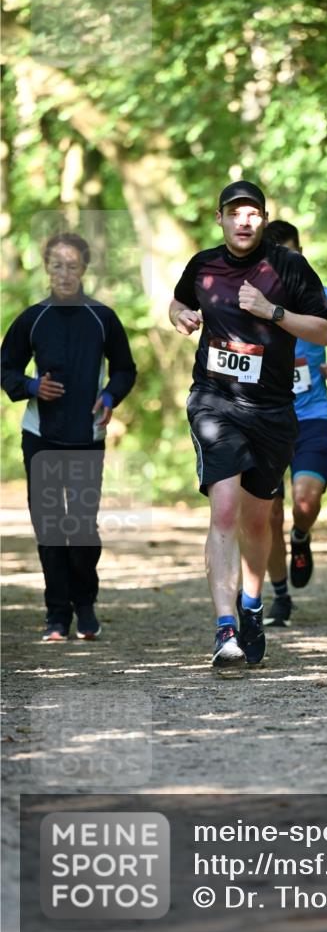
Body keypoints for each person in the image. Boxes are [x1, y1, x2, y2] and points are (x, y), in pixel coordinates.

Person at [169, 181, 327, 667]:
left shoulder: (289, 267)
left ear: (263, 220)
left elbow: (322, 330)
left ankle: (252, 606)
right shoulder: (203, 266)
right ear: (219, 218)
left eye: (253, 214)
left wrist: (273, 312)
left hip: (273, 410)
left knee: (258, 521)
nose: (244, 221)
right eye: (235, 213)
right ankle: (224, 630)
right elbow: (179, 302)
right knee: (224, 509)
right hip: (215, 403)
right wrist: (180, 315)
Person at [1, 232, 137, 640]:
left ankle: (85, 603)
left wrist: (111, 395)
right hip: (40, 436)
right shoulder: (32, 318)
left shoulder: (102, 318)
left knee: (80, 527)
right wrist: (30, 387)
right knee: (49, 526)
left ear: (84, 269)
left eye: (72, 265)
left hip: (86, 435)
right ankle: (56, 616)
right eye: (57, 265)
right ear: (46, 267)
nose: (64, 272)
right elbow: (5, 368)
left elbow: (126, 369)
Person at [262, 220, 327, 627]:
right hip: (264, 418)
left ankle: (301, 536)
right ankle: (280, 597)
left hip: (312, 415)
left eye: (292, 254)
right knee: (267, 516)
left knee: (304, 503)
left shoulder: (323, 297)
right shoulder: (252, 302)